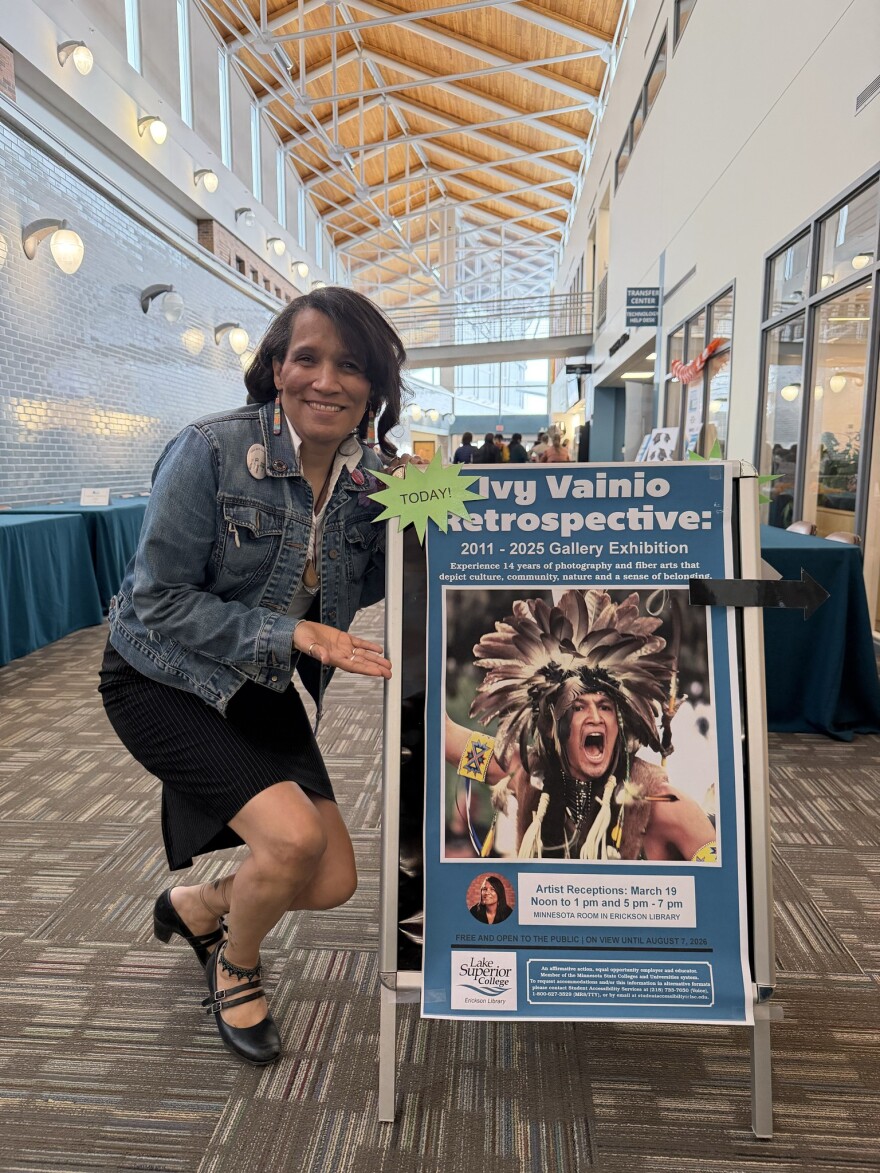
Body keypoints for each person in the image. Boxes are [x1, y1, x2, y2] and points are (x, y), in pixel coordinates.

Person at [99, 287, 415, 1067]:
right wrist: (295, 630)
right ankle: (237, 965)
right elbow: (158, 599)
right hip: (160, 675)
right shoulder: (207, 450)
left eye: (351, 366)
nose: (327, 380)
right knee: (293, 840)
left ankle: (200, 906)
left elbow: (366, 580)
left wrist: (426, 517)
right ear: (277, 369)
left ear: (374, 388)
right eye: (307, 358)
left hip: (255, 678)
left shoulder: (370, 478)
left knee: (333, 877)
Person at [445, 590, 717, 862]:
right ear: (554, 725)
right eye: (578, 707)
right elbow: (448, 740)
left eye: (605, 707)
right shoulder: (529, 776)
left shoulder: (666, 806)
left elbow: (724, 887)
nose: (596, 717)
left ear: (620, 723)